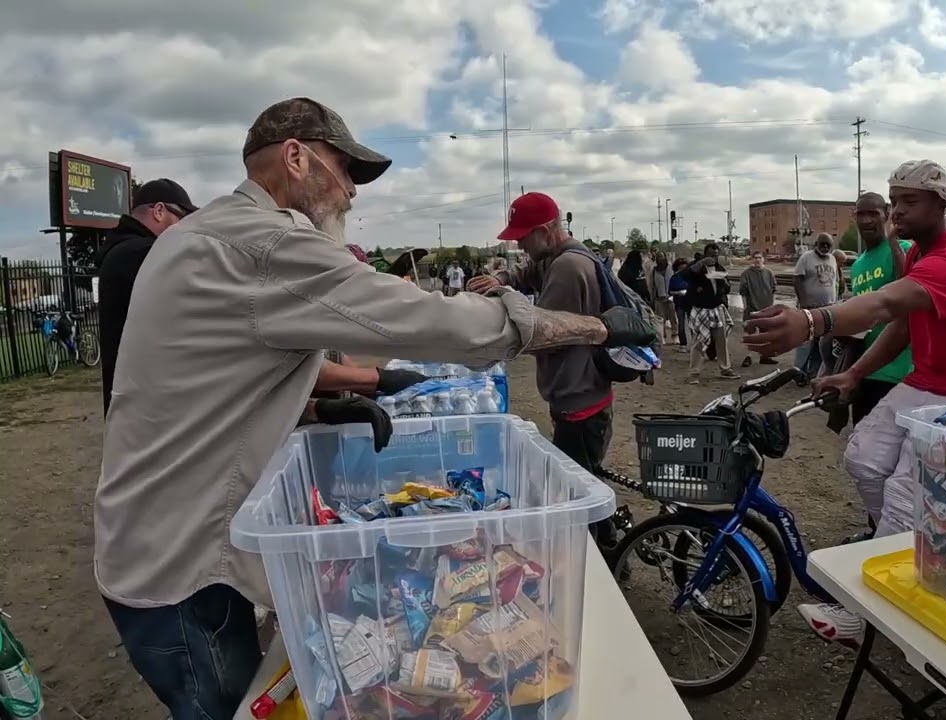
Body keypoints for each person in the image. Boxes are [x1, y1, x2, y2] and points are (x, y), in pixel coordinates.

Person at [95, 97, 654, 720]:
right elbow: (435, 322)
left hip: (168, 544)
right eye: (346, 172)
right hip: (183, 571)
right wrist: (594, 329)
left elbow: (218, 376)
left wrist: (320, 406)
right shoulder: (260, 242)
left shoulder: (207, 236)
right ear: (296, 157)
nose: (351, 194)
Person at [744, 160, 946, 644]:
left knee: (903, 494)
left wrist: (810, 321)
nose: (898, 211)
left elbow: (886, 304)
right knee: (864, 458)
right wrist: (853, 372)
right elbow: (902, 325)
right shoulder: (918, 258)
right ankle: (912, 548)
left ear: (943, 205)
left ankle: (869, 614)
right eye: (896, 201)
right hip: (930, 381)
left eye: (910, 201)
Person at [467, 192, 633, 544]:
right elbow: (527, 270)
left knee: (577, 488)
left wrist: (492, 341)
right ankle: (606, 539)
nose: (519, 244)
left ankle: (606, 548)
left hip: (580, 397)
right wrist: (502, 279)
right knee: (581, 477)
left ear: (546, 230)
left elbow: (546, 334)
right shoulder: (553, 256)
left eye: (524, 237)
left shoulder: (568, 268)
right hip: (579, 392)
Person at [96, 179, 199, 415]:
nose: (185, 227)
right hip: (144, 410)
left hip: (136, 404)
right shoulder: (141, 253)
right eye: (182, 218)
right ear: (160, 211)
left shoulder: (124, 252)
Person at [833, 192, 912, 431]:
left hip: (901, 369)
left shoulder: (904, 248)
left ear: (886, 214)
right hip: (867, 367)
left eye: (873, 213)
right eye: (861, 214)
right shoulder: (857, 265)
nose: (866, 220)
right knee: (862, 437)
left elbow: (909, 288)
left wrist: (894, 243)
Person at [680, 243, 739, 382]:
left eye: (716, 255)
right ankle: (694, 373)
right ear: (706, 254)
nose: (714, 258)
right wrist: (701, 263)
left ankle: (725, 368)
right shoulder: (697, 267)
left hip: (717, 308)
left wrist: (725, 284)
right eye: (712, 255)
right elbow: (684, 275)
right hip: (701, 309)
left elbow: (727, 288)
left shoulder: (719, 268)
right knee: (699, 341)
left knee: (721, 340)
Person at [793, 232, 841, 378]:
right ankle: (797, 371)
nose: (825, 247)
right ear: (816, 244)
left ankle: (813, 372)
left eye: (828, 245)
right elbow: (797, 279)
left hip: (827, 308)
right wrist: (804, 302)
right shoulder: (806, 258)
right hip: (810, 307)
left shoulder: (832, 258)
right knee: (806, 340)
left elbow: (835, 281)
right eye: (822, 244)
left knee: (822, 343)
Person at [738, 251, 778, 367]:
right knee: (750, 334)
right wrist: (745, 307)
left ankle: (764, 356)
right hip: (752, 307)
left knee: (765, 333)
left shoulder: (769, 273)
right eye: (755, 258)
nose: (757, 260)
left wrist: (772, 306)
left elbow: (774, 289)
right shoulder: (746, 274)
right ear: (752, 259)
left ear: (763, 259)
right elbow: (743, 292)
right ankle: (748, 357)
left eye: (760, 257)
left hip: (766, 308)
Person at [648, 251, 676, 342]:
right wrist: (652, 297)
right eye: (658, 257)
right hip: (659, 298)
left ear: (665, 258)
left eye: (662, 257)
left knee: (673, 318)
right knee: (661, 319)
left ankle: (675, 335)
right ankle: (662, 337)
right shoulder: (654, 270)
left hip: (671, 297)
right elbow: (651, 285)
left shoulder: (671, 268)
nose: (660, 259)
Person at [669, 257, 691, 349]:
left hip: (690, 303)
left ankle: (693, 344)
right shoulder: (674, 278)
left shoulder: (691, 276)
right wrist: (679, 293)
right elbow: (670, 291)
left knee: (692, 324)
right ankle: (683, 344)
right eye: (681, 268)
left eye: (684, 268)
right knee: (681, 324)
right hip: (679, 303)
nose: (683, 270)